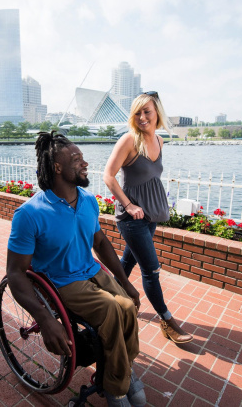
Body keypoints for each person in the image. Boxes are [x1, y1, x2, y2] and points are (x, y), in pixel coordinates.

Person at [6, 132, 146, 407]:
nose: (84, 163)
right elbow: (15, 273)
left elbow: (100, 242)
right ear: (57, 167)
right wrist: (45, 319)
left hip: (91, 270)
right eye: (76, 159)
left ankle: (124, 368)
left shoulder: (88, 200)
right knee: (110, 311)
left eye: (82, 157)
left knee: (127, 306)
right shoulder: (30, 214)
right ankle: (116, 388)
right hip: (61, 281)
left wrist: (125, 283)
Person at [103, 92, 193, 344]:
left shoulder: (160, 141)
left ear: (157, 114)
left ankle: (106, 299)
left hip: (151, 214)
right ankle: (167, 321)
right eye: (138, 113)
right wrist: (129, 205)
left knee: (128, 262)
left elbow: (152, 177)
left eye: (147, 112)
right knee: (151, 271)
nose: (142, 117)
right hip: (132, 217)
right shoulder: (129, 140)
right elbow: (108, 176)